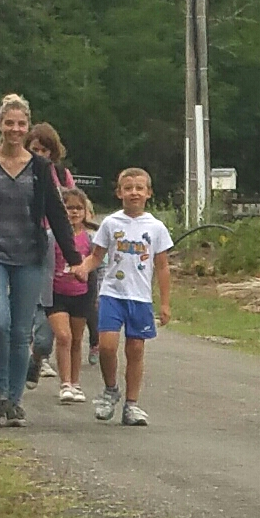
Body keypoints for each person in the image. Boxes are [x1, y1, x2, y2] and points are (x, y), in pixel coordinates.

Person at [0, 93, 73, 428]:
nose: (15, 129)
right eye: (9, 123)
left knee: (21, 332)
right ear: (0, 125)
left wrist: (74, 258)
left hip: (29, 256)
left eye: (21, 124)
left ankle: (14, 401)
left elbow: (57, 215)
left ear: (28, 126)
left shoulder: (40, 168)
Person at [85, 168, 173, 425]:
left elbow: (162, 266)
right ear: (119, 192)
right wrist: (81, 269)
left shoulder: (156, 227)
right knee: (108, 346)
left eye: (139, 188)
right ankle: (110, 389)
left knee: (135, 350)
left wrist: (165, 302)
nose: (134, 192)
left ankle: (132, 405)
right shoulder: (111, 223)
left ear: (148, 193)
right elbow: (96, 257)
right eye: (128, 188)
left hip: (141, 298)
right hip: (112, 293)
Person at [25, 122, 75, 387]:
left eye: (45, 150)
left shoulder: (60, 174)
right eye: (35, 149)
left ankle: (40, 351)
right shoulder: (20, 171)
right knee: (28, 293)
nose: (40, 154)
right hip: (25, 238)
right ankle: (28, 349)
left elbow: (72, 205)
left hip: (52, 237)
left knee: (49, 294)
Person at [47, 187, 98, 404]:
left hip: (81, 294)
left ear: (85, 211)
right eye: (69, 208)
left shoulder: (92, 239)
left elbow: (97, 268)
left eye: (78, 208)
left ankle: (76, 383)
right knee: (63, 337)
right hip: (55, 293)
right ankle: (65, 383)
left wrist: (97, 294)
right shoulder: (50, 237)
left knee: (76, 340)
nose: (74, 212)